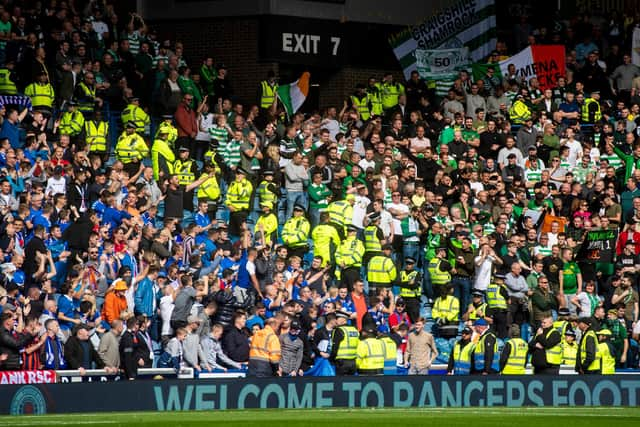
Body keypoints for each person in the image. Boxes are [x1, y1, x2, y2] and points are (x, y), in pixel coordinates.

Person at [398, 257, 422, 322]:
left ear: (413, 265)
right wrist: (409, 283)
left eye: (410, 264)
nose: (408, 265)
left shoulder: (417, 274)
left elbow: (415, 285)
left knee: (414, 320)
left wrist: (404, 283)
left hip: (413, 300)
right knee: (403, 321)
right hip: (403, 300)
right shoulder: (401, 273)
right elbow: (398, 283)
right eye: (407, 263)